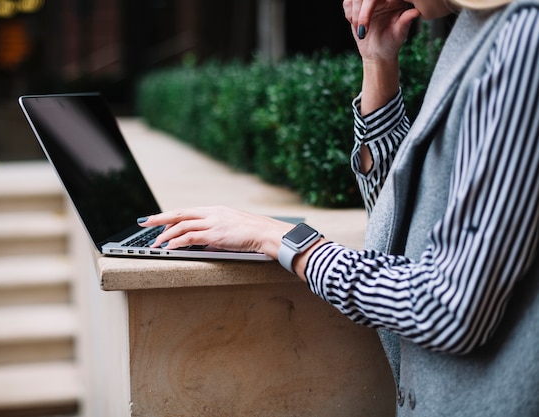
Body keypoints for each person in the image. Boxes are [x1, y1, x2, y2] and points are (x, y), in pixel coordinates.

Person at [137, 0, 539, 413]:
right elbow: (405, 220)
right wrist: (379, 63)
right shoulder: (482, 23)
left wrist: (284, 240)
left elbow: (450, 307)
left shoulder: (526, 37)